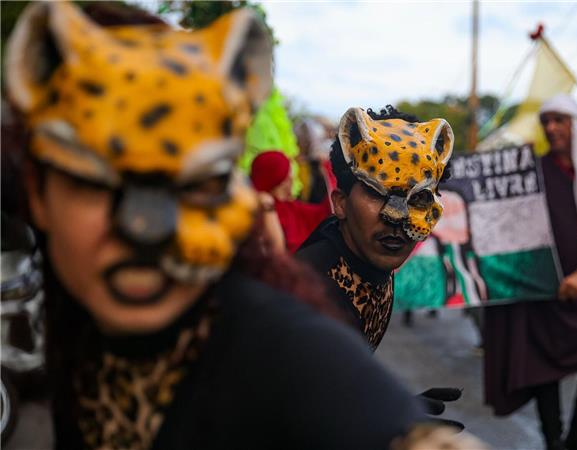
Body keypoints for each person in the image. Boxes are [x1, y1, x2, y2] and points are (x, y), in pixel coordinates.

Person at [4, 3, 479, 449]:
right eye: (95, 181)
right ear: (38, 194)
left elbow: (310, 358)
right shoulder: (68, 309)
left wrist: (394, 426)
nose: (147, 226)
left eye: (197, 182)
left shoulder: (254, 316)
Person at [482, 94, 577, 450]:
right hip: (544, 286)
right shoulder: (533, 170)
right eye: (546, 121)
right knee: (542, 365)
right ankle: (553, 439)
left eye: (559, 120)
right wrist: (516, 165)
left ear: (575, 125)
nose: (551, 127)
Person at [295, 105, 454, 350]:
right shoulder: (310, 294)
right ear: (341, 203)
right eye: (375, 192)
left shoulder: (368, 264)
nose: (396, 216)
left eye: (418, 198)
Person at [250, 150, 333, 253]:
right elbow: (277, 254)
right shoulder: (265, 213)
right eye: (286, 174)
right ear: (277, 180)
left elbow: (322, 213)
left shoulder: (289, 207)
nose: (291, 178)